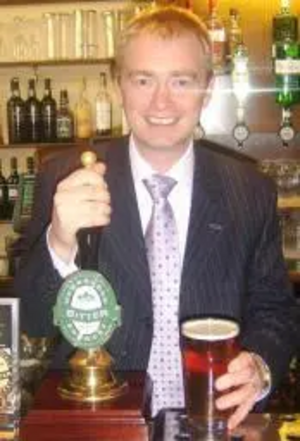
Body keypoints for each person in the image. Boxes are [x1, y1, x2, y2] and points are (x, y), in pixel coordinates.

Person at [14, 5, 298, 430]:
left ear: (207, 88)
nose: (161, 101)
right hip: (97, 424)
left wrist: (260, 365)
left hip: (212, 423)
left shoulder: (249, 191)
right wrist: (58, 241)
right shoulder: (65, 176)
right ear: (119, 85)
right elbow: (28, 322)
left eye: (181, 81)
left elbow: (275, 309)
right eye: (143, 79)